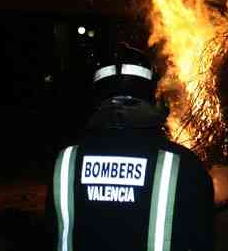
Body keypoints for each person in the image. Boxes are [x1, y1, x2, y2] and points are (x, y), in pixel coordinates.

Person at [45, 43, 214, 251]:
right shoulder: (183, 164)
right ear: (153, 97)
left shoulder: (65, 162)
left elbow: (51, 234)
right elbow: (202, 239)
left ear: (96, 97)